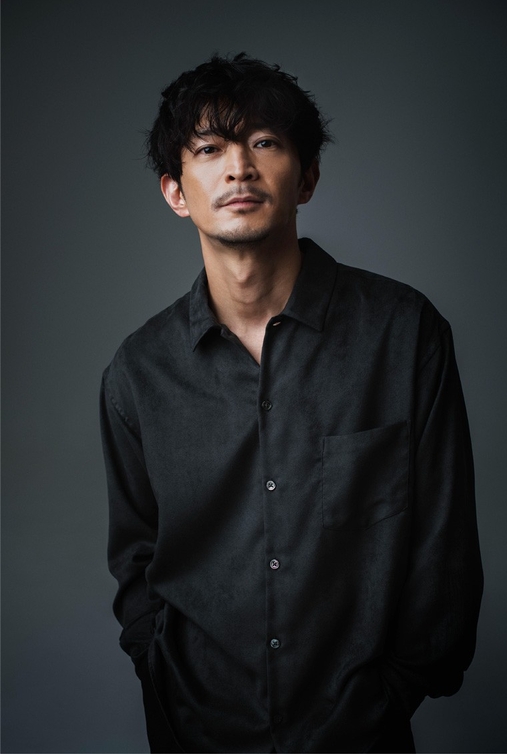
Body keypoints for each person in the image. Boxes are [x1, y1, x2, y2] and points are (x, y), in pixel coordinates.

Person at [100, 53, 483, 754]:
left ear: (306, 178)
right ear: (175, 192)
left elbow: (443, 545)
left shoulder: (403, 335)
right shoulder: (138, 371)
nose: (238, 169)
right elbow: (136, 557)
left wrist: (393, 690)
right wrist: (158, 671)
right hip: (195, 729)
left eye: (265, 142)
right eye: (209, 150)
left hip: (358, 731)